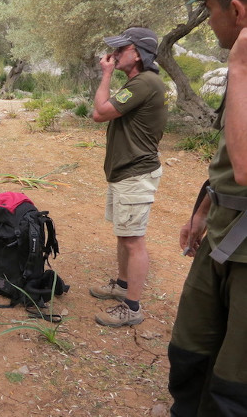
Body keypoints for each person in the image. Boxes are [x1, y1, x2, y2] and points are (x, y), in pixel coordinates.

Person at [169, 0, 247, 416]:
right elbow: (224, 157)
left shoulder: (241, 69)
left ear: (236, 10)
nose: (207, 21)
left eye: (211, 10)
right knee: (189, 352)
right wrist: (201, 211)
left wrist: (238, 69)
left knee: (234, 386)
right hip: (222, 231)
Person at [89, 27, 167, 327]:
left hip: (135, 173)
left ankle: (131, 307)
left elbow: (99, 112)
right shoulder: (140, 83)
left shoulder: (144, 83)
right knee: (125, 234)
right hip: (126, 172)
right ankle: (121, 285)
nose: (115, 54)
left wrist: (106, 74)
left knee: (134, 240)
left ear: (138, 53)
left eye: (122, 49)